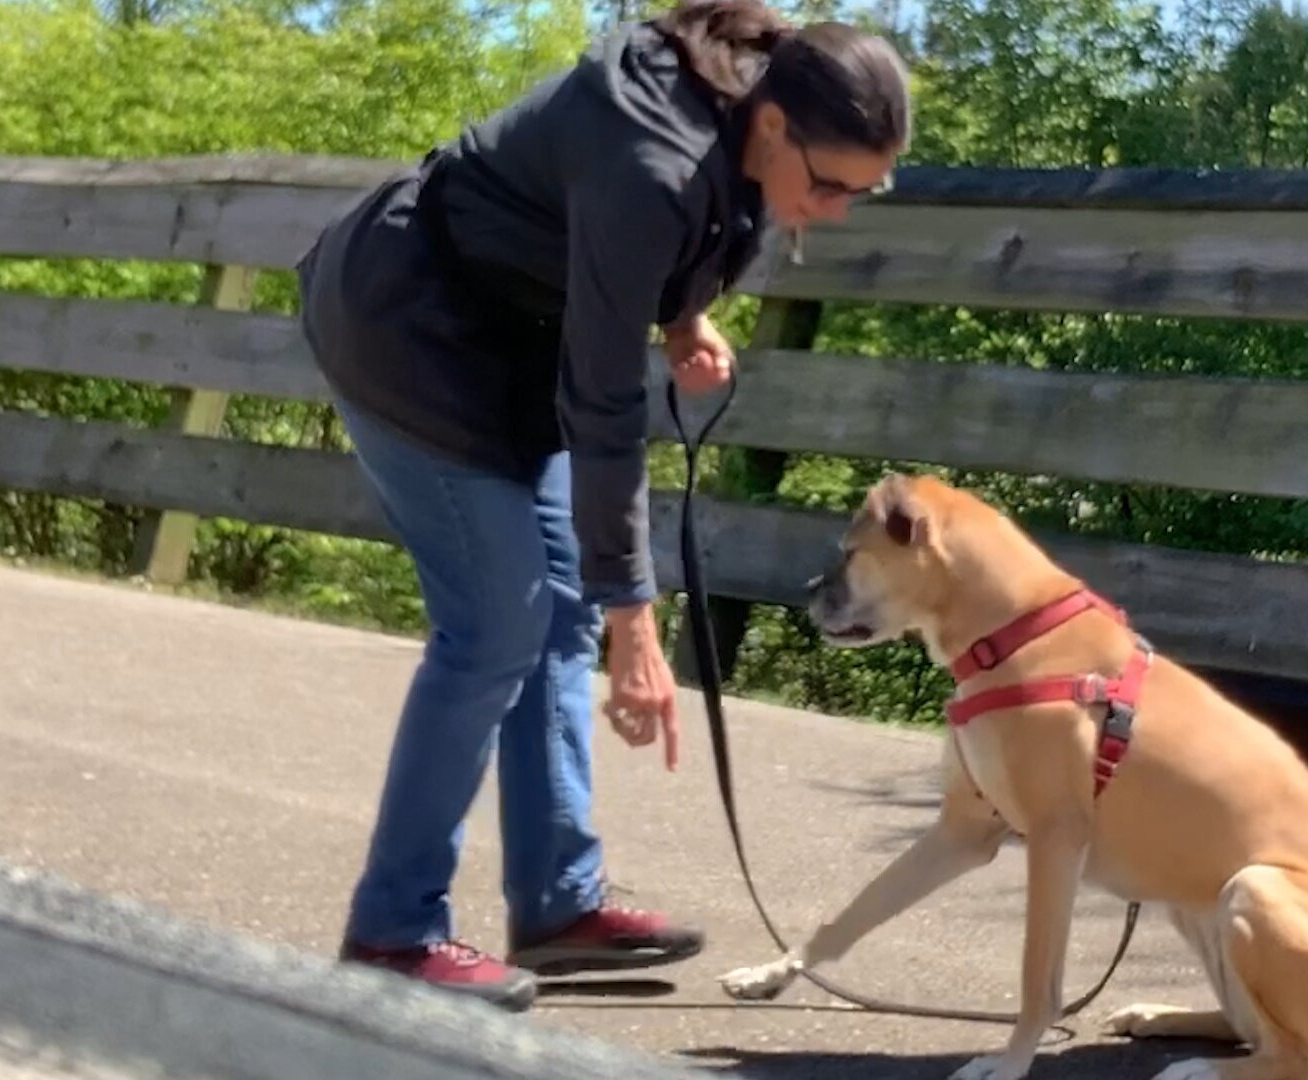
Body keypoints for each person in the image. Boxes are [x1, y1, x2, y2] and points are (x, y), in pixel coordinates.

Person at [294, 0, 909, 1012]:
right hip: (406, 325)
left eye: (865, 193)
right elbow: (604, 406)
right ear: (773, 125)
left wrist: (683, 317)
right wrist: (641, 619)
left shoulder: (748, 131)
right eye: (832, 184)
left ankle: (556, 906)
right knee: (498, 622)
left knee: (560, 607)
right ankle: (394, 932)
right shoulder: (650, 156)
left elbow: (631, 257)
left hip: (510, 340)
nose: (838, 210)